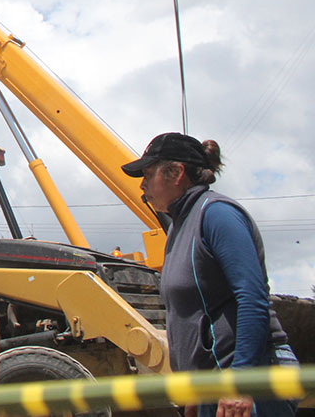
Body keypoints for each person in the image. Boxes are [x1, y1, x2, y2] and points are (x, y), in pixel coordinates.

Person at [122, 133, 298, 417]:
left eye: (149, 174)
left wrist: (241, 381)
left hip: (251, 375)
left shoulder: (217, 214)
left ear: (176, 173)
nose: (142, 185)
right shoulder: (179, 227)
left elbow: (252, 298)